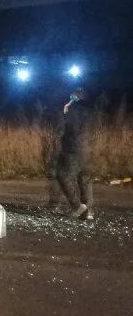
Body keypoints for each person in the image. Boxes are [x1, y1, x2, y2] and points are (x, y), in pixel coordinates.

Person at [56, 87, 93, 220]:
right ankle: (87, 210)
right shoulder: (90, 111)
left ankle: (77, 207)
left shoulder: (73, 110)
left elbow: (65, 128)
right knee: (84, 177)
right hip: (88, 150)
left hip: (73, 148)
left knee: (62, 175)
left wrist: (65, 112)